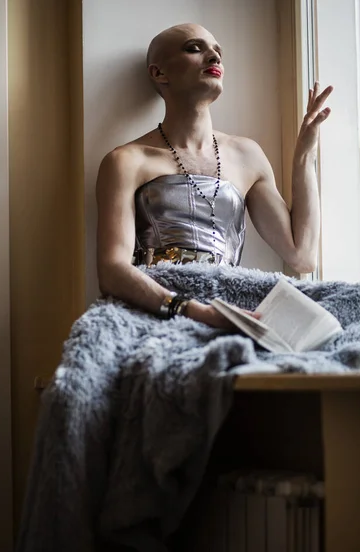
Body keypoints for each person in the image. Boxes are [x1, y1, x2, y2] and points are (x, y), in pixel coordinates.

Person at [96, 22, 332, 326]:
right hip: (158, 310)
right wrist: (194, 311)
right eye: (195, 48)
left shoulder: (247, 156)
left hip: (229, 302)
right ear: (159, 73)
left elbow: (302, 256)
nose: (214, 57)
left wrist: (305, 155)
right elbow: (112, 271)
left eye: (218, 52)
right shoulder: (126, 160)